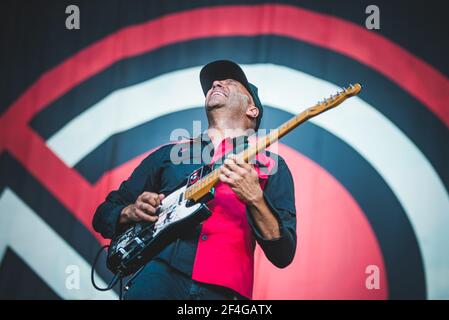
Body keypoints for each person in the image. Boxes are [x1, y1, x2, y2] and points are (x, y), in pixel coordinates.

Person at [92, 60, 297, 300]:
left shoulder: (272, 166)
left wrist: (256, 199)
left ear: (252, 109)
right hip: (156, 279)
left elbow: (283, 252)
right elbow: (103, 214)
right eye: (214, 83)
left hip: (226, 291)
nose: (216, 83)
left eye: (230, 82)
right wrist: (131, 211)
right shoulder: (168, 155)